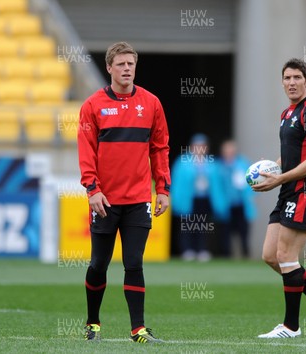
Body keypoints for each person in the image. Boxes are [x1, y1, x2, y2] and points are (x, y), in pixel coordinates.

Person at [77, 41, 170, 343]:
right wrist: (92, 189)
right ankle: (93, 324)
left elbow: (160, 148)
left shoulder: (152, 104)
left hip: (139, 199)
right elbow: (86, 152)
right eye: (121, 64)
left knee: (134, 262)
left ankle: (138, 329)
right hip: (104, 201)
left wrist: (163, 188)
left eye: (131, 63)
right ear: (109, 68)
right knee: (98, 264)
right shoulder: (92, 106)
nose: (127, 68)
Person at [252, 58, 306, 339]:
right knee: (270, 256)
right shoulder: (287, 113)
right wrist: (270, 171)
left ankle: (291, 327)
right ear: (282, 82)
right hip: (287, 189)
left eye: (297, 78)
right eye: (287, 78)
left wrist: (281, 178)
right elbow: (291, 155)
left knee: (286, 256)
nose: (291, 82)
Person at [170, 133, 226, 261]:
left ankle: (202, 249)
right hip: (188, 199)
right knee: (186, 225)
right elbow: (177, 182)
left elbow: (217, 184)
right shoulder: (183, 161)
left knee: (203, 225)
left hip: (204, 199)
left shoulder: (211, 162)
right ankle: (187, 249)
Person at [218, 139, 256, 258]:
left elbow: (251, 182)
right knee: (225, 233)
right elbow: (216, 187)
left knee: (244, 232)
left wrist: (249, 195)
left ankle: (245, 255)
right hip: (226, 205)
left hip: (241, 204)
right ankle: (227, 256)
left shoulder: (243, 164)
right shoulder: (218, 167)